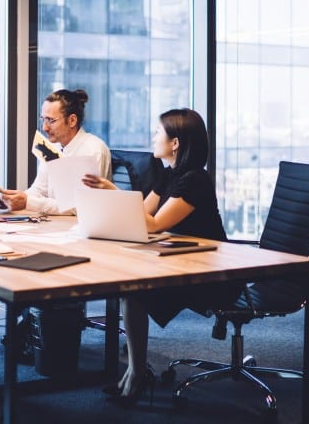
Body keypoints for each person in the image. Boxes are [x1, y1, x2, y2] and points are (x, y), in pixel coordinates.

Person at [82, 108, 234, 407]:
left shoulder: (194, 180)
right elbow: (145, 211)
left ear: (175, 143)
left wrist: (113, 192)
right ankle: (135, 372)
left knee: (134, 293)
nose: (152, 137)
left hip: (211, 273)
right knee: (130, 288)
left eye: (157, 132)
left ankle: (137, 374)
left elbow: (154, 224)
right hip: (181, 261)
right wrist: (112, 192)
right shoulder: (169, 175)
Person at [0, 88, 112, 215]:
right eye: (43, 119)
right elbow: (39, 190)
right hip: (56, 224)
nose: (44, 127)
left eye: (51, 120)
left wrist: (28, 202)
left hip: (79, 228)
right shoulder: (52, 146)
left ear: (72, 120)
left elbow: (80, 206)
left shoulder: (93, 150)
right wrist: (11, 199)